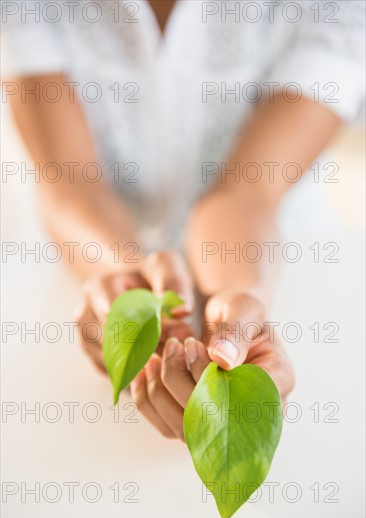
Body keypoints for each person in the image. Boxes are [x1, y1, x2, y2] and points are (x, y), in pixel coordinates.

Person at [3, 0, 364, 440]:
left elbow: (248, 190)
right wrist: (120, 277)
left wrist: (236, 299)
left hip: (290, 264)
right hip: (77, 260)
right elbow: (70, 179)